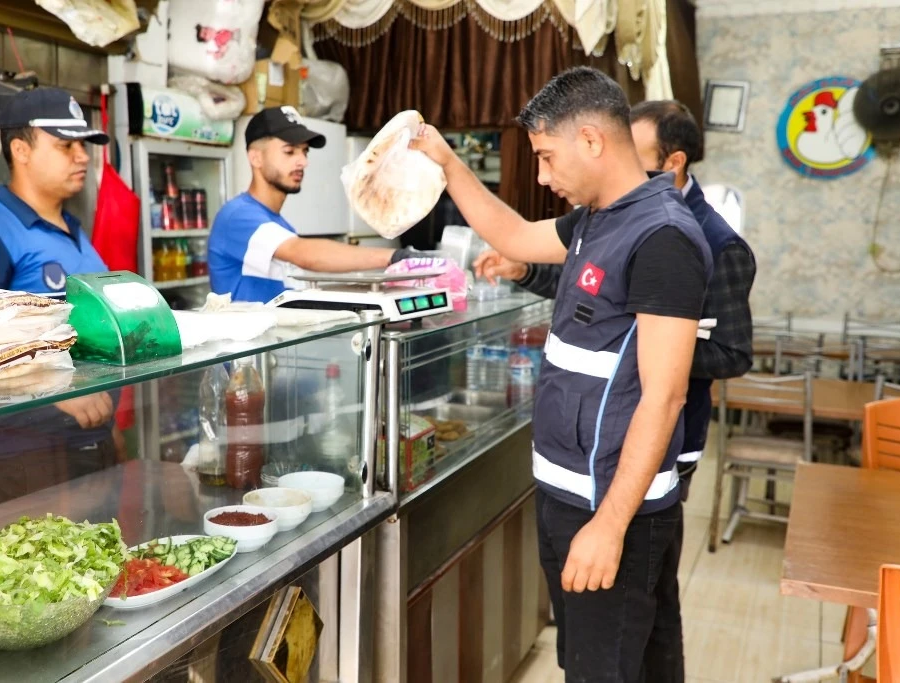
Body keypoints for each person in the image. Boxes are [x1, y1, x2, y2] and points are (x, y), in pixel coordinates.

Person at [411, 68, 712, 682]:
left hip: (611, 509)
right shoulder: (599, 217)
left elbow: (665, 394)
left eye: (547, 157)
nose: (543, 176)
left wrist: (609, 525)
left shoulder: (662, 237)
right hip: (564, 495)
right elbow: (516, 235)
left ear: (593, 141)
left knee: (605, 669)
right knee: (583, 660)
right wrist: (446, 162)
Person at [476, 100, 756, 502]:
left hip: (666, 443)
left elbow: (734, 353)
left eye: (632, 155)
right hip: (596, 442)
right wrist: (524, 271)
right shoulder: (611, 215)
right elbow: (592, 291)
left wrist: (653, 349)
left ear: (673, 162)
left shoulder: (719, 243)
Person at [0, 86, 120, 505]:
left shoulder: (74, 232)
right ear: (21, 149)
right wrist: (54, 390)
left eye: (84, 145)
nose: (83, 156)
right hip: (21, 454)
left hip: (88, 442)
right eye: (65, 145)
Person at [208, 106, 417, 302]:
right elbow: (303, 254)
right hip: (247, 341)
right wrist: (395, 256)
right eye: (289, 151)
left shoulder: (280, 226)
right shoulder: (236, 216)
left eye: (304, 151)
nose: (303, 162)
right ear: (256, 158)